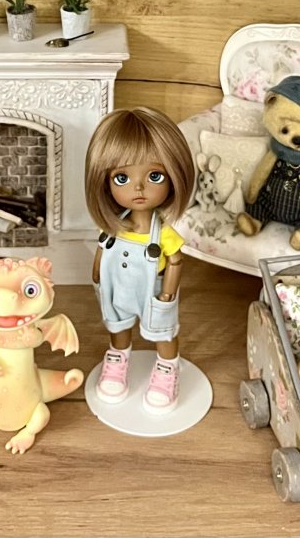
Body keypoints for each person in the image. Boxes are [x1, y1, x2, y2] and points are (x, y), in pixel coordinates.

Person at [84, 106, 196, 411]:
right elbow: (103, 248)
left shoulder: (164, 234)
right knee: (118, 325)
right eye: (121, 177)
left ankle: (167, 366)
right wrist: (97, 273)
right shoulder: (113, 228)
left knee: (162, 331)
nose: (138, 187)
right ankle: (118, 358)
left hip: (154, 290)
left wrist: (168, 292)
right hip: (117, 287)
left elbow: (176, 261)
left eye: (154, 176)